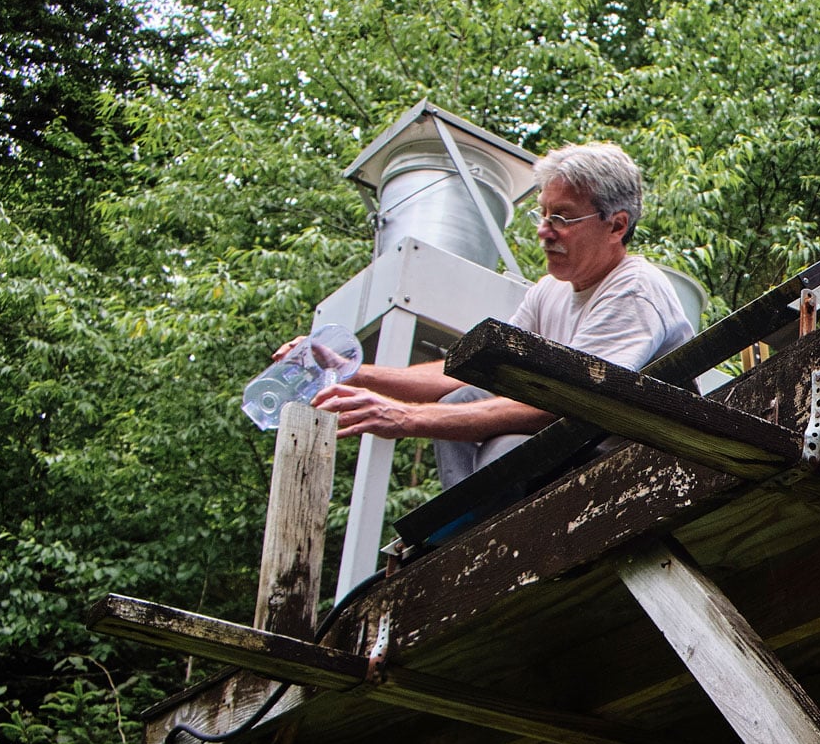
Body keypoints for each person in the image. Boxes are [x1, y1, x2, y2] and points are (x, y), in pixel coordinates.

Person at [282, 142, 695, 486]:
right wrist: (351, 372)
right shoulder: (548, 293)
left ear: (616, 225)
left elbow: (564, 405)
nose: (544, 231)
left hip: (638, 472)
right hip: (570, 454)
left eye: (563, 217)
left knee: (506, 447)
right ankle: (462, 530)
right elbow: (468, 372)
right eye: (543, 214)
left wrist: (404, 417)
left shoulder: (634, 290)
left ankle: (480, 533)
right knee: (465, 396)